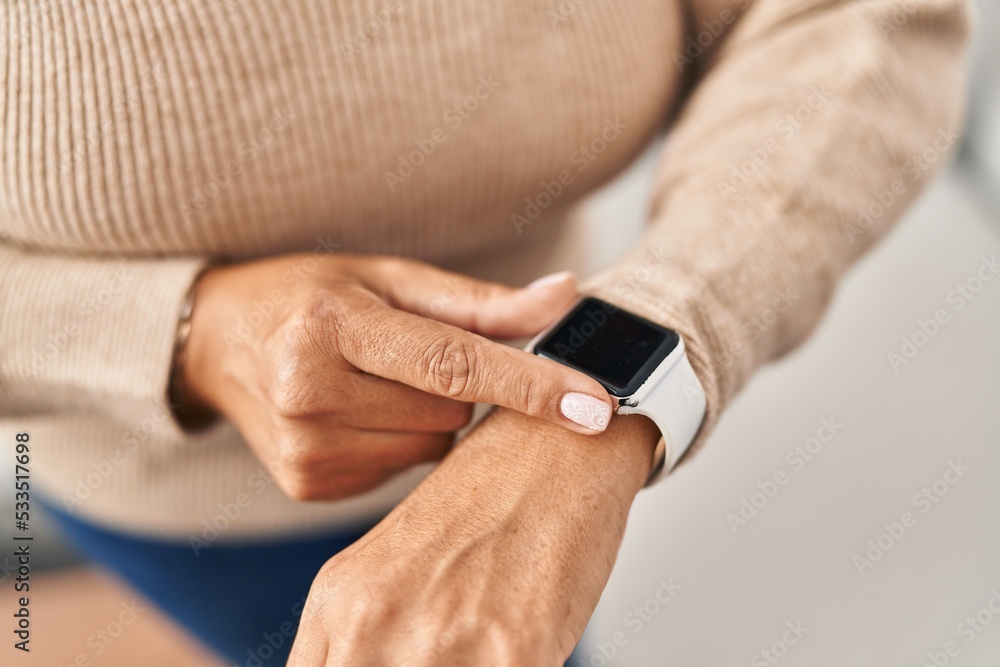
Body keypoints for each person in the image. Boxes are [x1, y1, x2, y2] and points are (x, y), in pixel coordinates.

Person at [0, 0, 970, 664]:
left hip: (547, 392)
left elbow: (861, 19)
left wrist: (597, 390)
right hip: (166, 482)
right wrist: (177, 337)